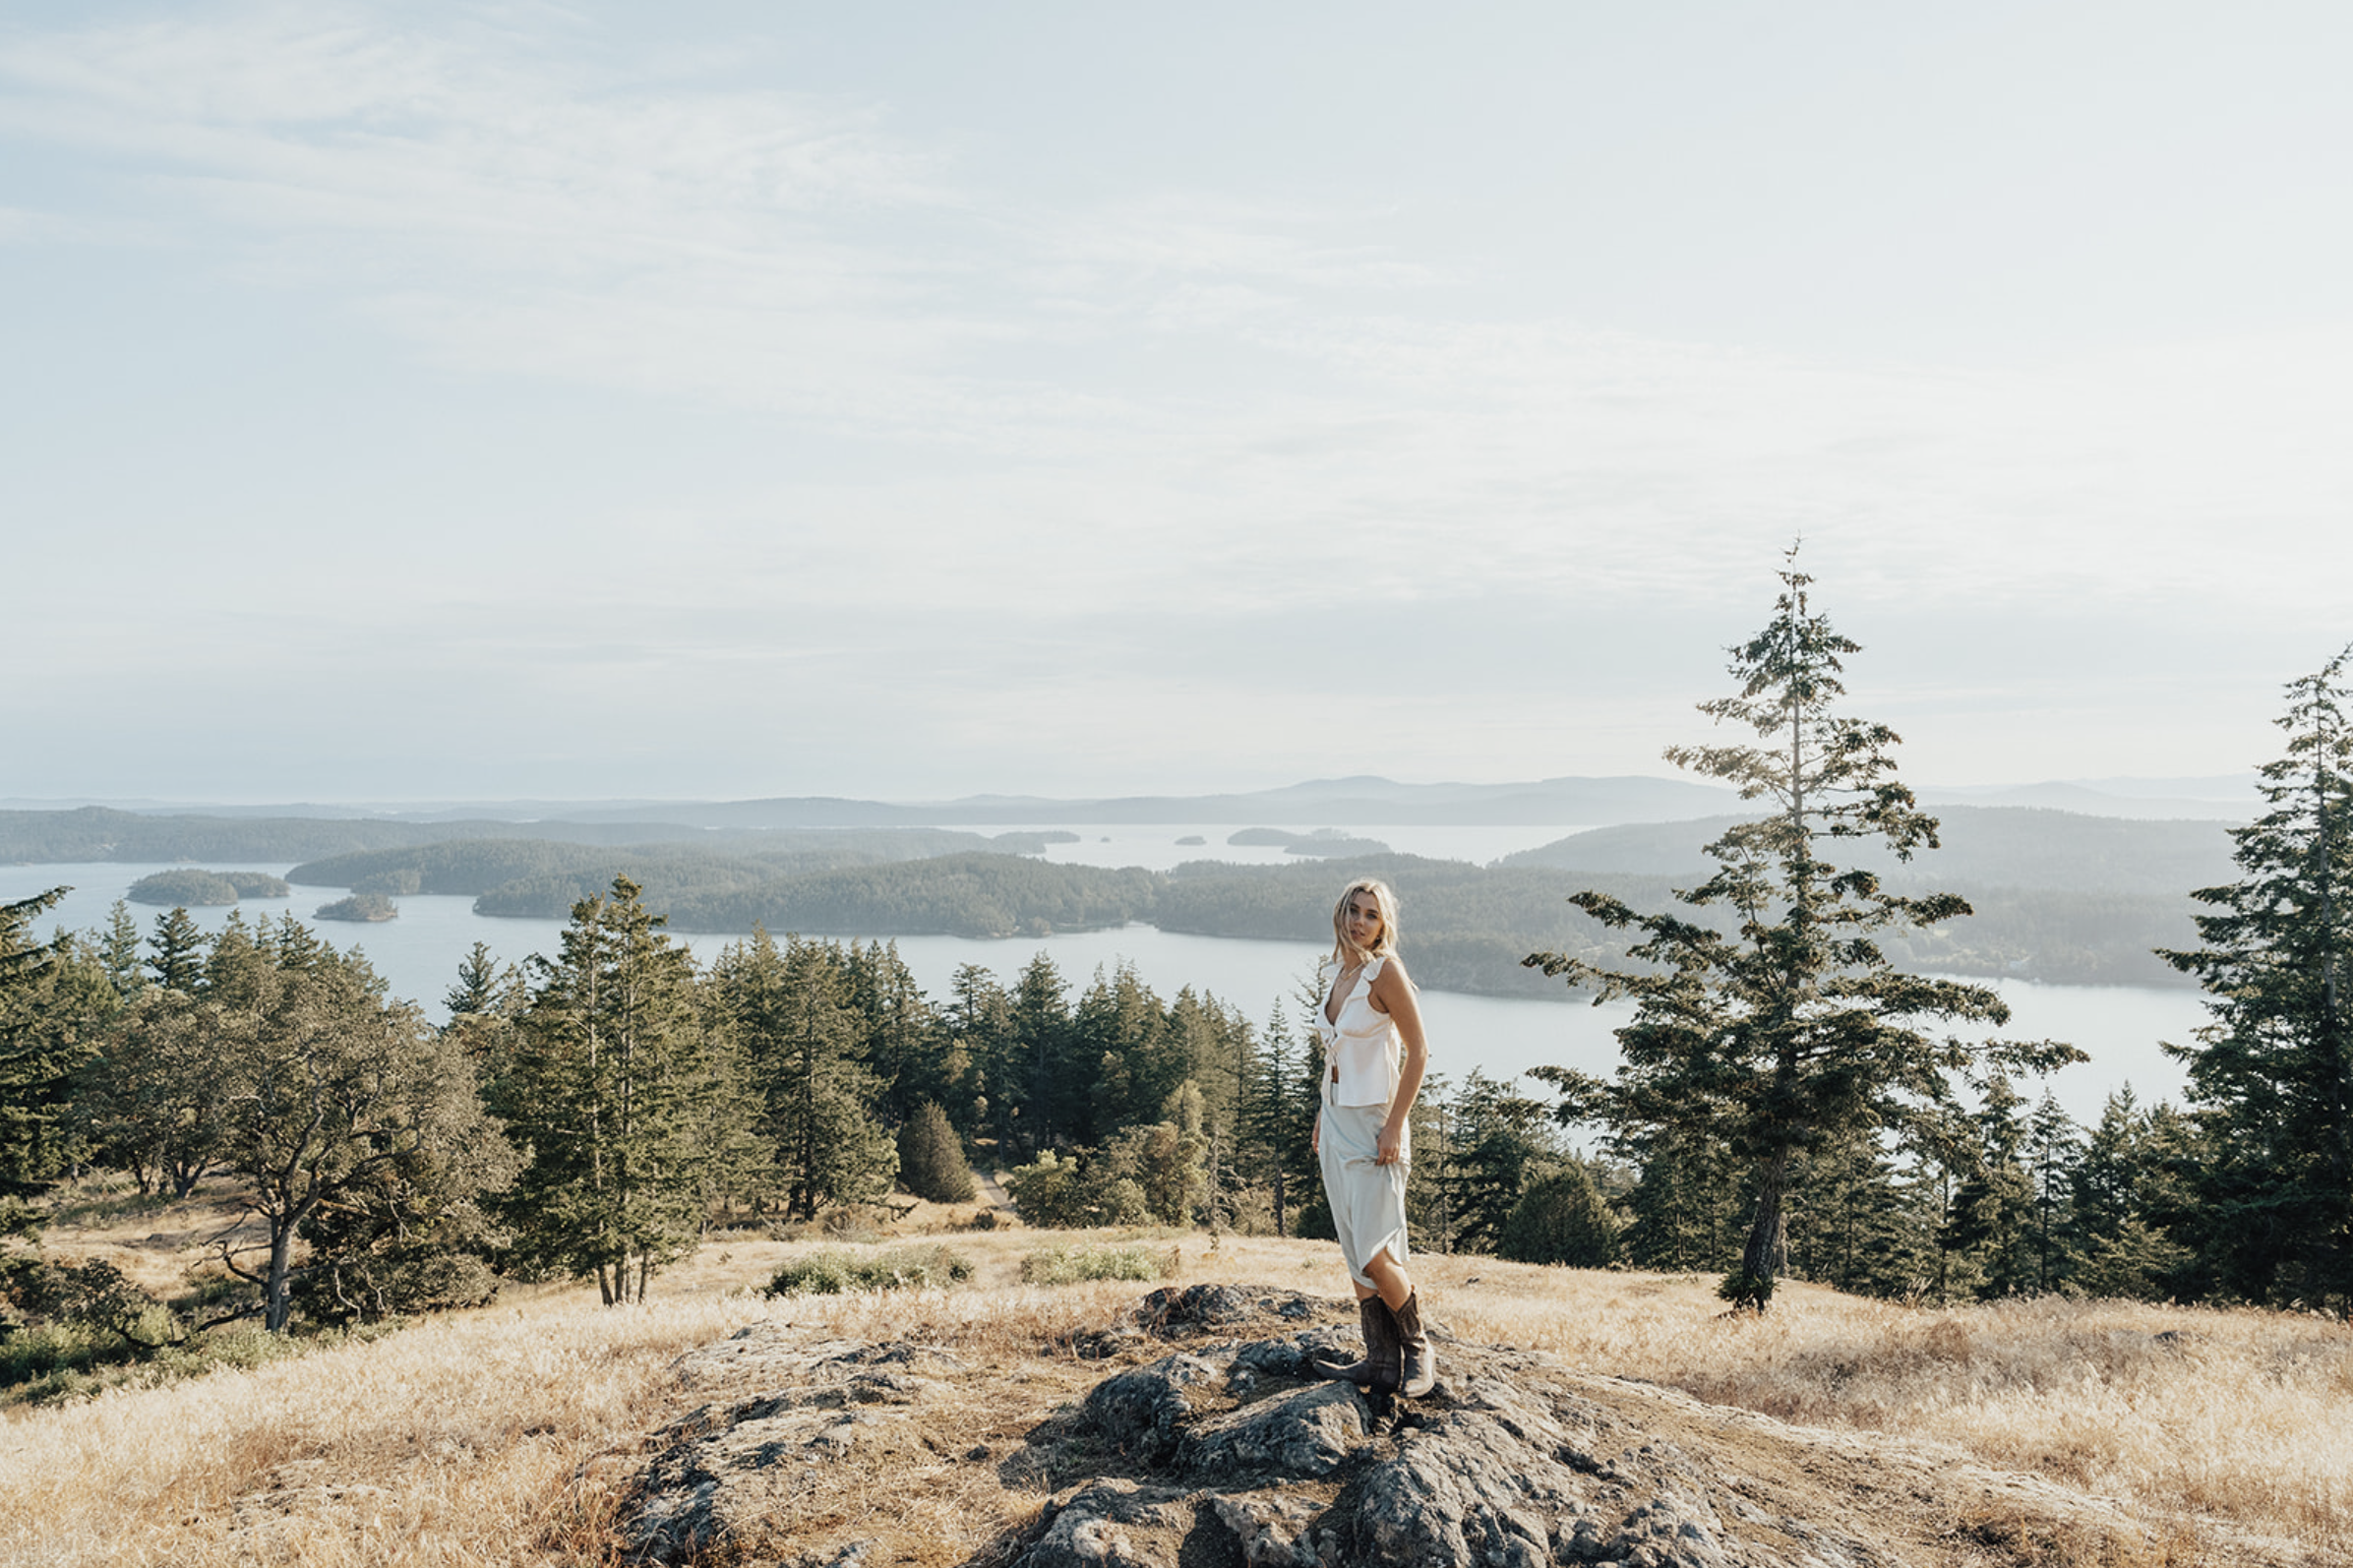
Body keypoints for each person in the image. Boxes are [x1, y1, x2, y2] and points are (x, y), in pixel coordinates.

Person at [1309, 876, 1435, 1398]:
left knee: (1376, 1248)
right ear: (1341, 914)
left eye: (1372, 915)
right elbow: (1337, 1054)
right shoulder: (1340, 973)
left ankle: (1419, 1348)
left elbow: (1419, 1052)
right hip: (1337, 1121)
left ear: (1384, 925)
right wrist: (1322, 1112)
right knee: (1352, 1243)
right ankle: (1380, 1361)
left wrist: (1393, 1125)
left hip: (1375, 1124)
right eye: (1354, 911)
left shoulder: (1386, 972)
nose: (1360, 921)